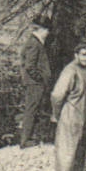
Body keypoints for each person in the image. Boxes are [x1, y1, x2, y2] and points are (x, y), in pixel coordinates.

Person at [50, 42, 86, 171]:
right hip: (70, 116)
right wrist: (57, 114)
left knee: (80, 150)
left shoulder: (84, 71)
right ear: (76, 55)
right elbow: (57, 95)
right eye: (83, 54)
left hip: (83, 117)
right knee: (67, 150)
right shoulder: (70, 71)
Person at [17, 15, 53, 148]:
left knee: (33, 109)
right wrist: (40, 78)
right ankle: (25, 140)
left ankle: (29, 138)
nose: (48, 33)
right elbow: (30, 66)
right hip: (34, 83)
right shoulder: (34, 43)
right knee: (31, 110)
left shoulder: (35, 42)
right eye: (47, 30)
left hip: (35, 83)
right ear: (41, 29)